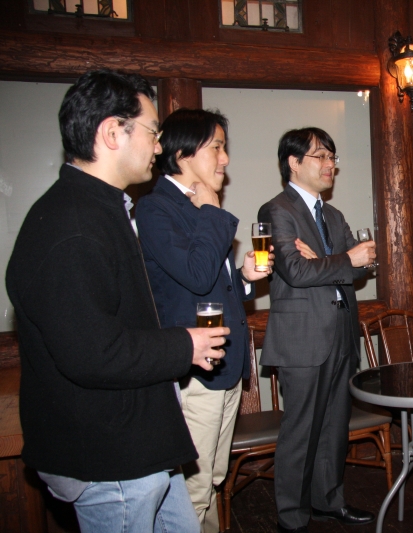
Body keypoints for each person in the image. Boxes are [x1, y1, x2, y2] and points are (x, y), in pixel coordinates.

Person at [5, 69, 228, 532]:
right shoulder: (70, 226)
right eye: (152, 132)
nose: (158, 147)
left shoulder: (100, 209)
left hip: (141, 442)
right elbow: (92, 352)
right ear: (112, 133)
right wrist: (184, 345)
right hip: (109, 454)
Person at [136, 108, 272, 532]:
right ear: (182, 153)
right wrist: (212, 211)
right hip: (193, 373)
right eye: (217, 147)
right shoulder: (155, 209)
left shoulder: (194, 204)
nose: (225, 158)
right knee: (192, 490)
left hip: (224, 365)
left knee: (211, 478)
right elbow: (195, 276)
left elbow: (208, 285)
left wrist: (243, 279)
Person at [257, 127, 376, 533]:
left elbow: (360, 268)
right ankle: (292, 517)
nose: (330, 165)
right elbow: (295, 272)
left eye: (332, 157)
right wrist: (342, 260)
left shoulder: (333, 215)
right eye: (321, 156)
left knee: (334, 427)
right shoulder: (277, 210)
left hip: (342, 330)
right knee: (301, 431)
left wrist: (330, 261)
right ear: (293, 162)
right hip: (302, 338)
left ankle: (328, 502)